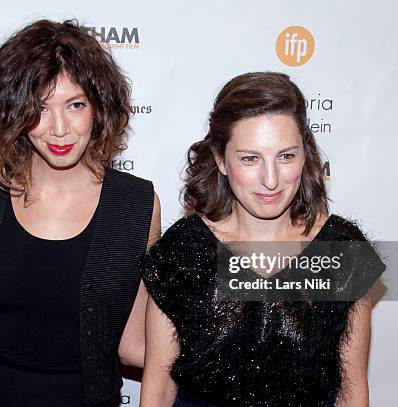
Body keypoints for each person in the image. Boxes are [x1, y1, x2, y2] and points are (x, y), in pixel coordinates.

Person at [0, 19, 160, 407]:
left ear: (99, 108)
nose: (59, 129)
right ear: (15, 111)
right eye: (39, 108)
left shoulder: (135, 204)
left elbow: (134, 347)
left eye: (75, 105)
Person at [140, 72, 384, 406]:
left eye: (286, 156)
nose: (271, 180)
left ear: (305, 155)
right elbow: (158, 388)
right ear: (221, 161)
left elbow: (352, 390)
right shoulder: (183, 251)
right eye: (250, 158)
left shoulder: (342, 250)